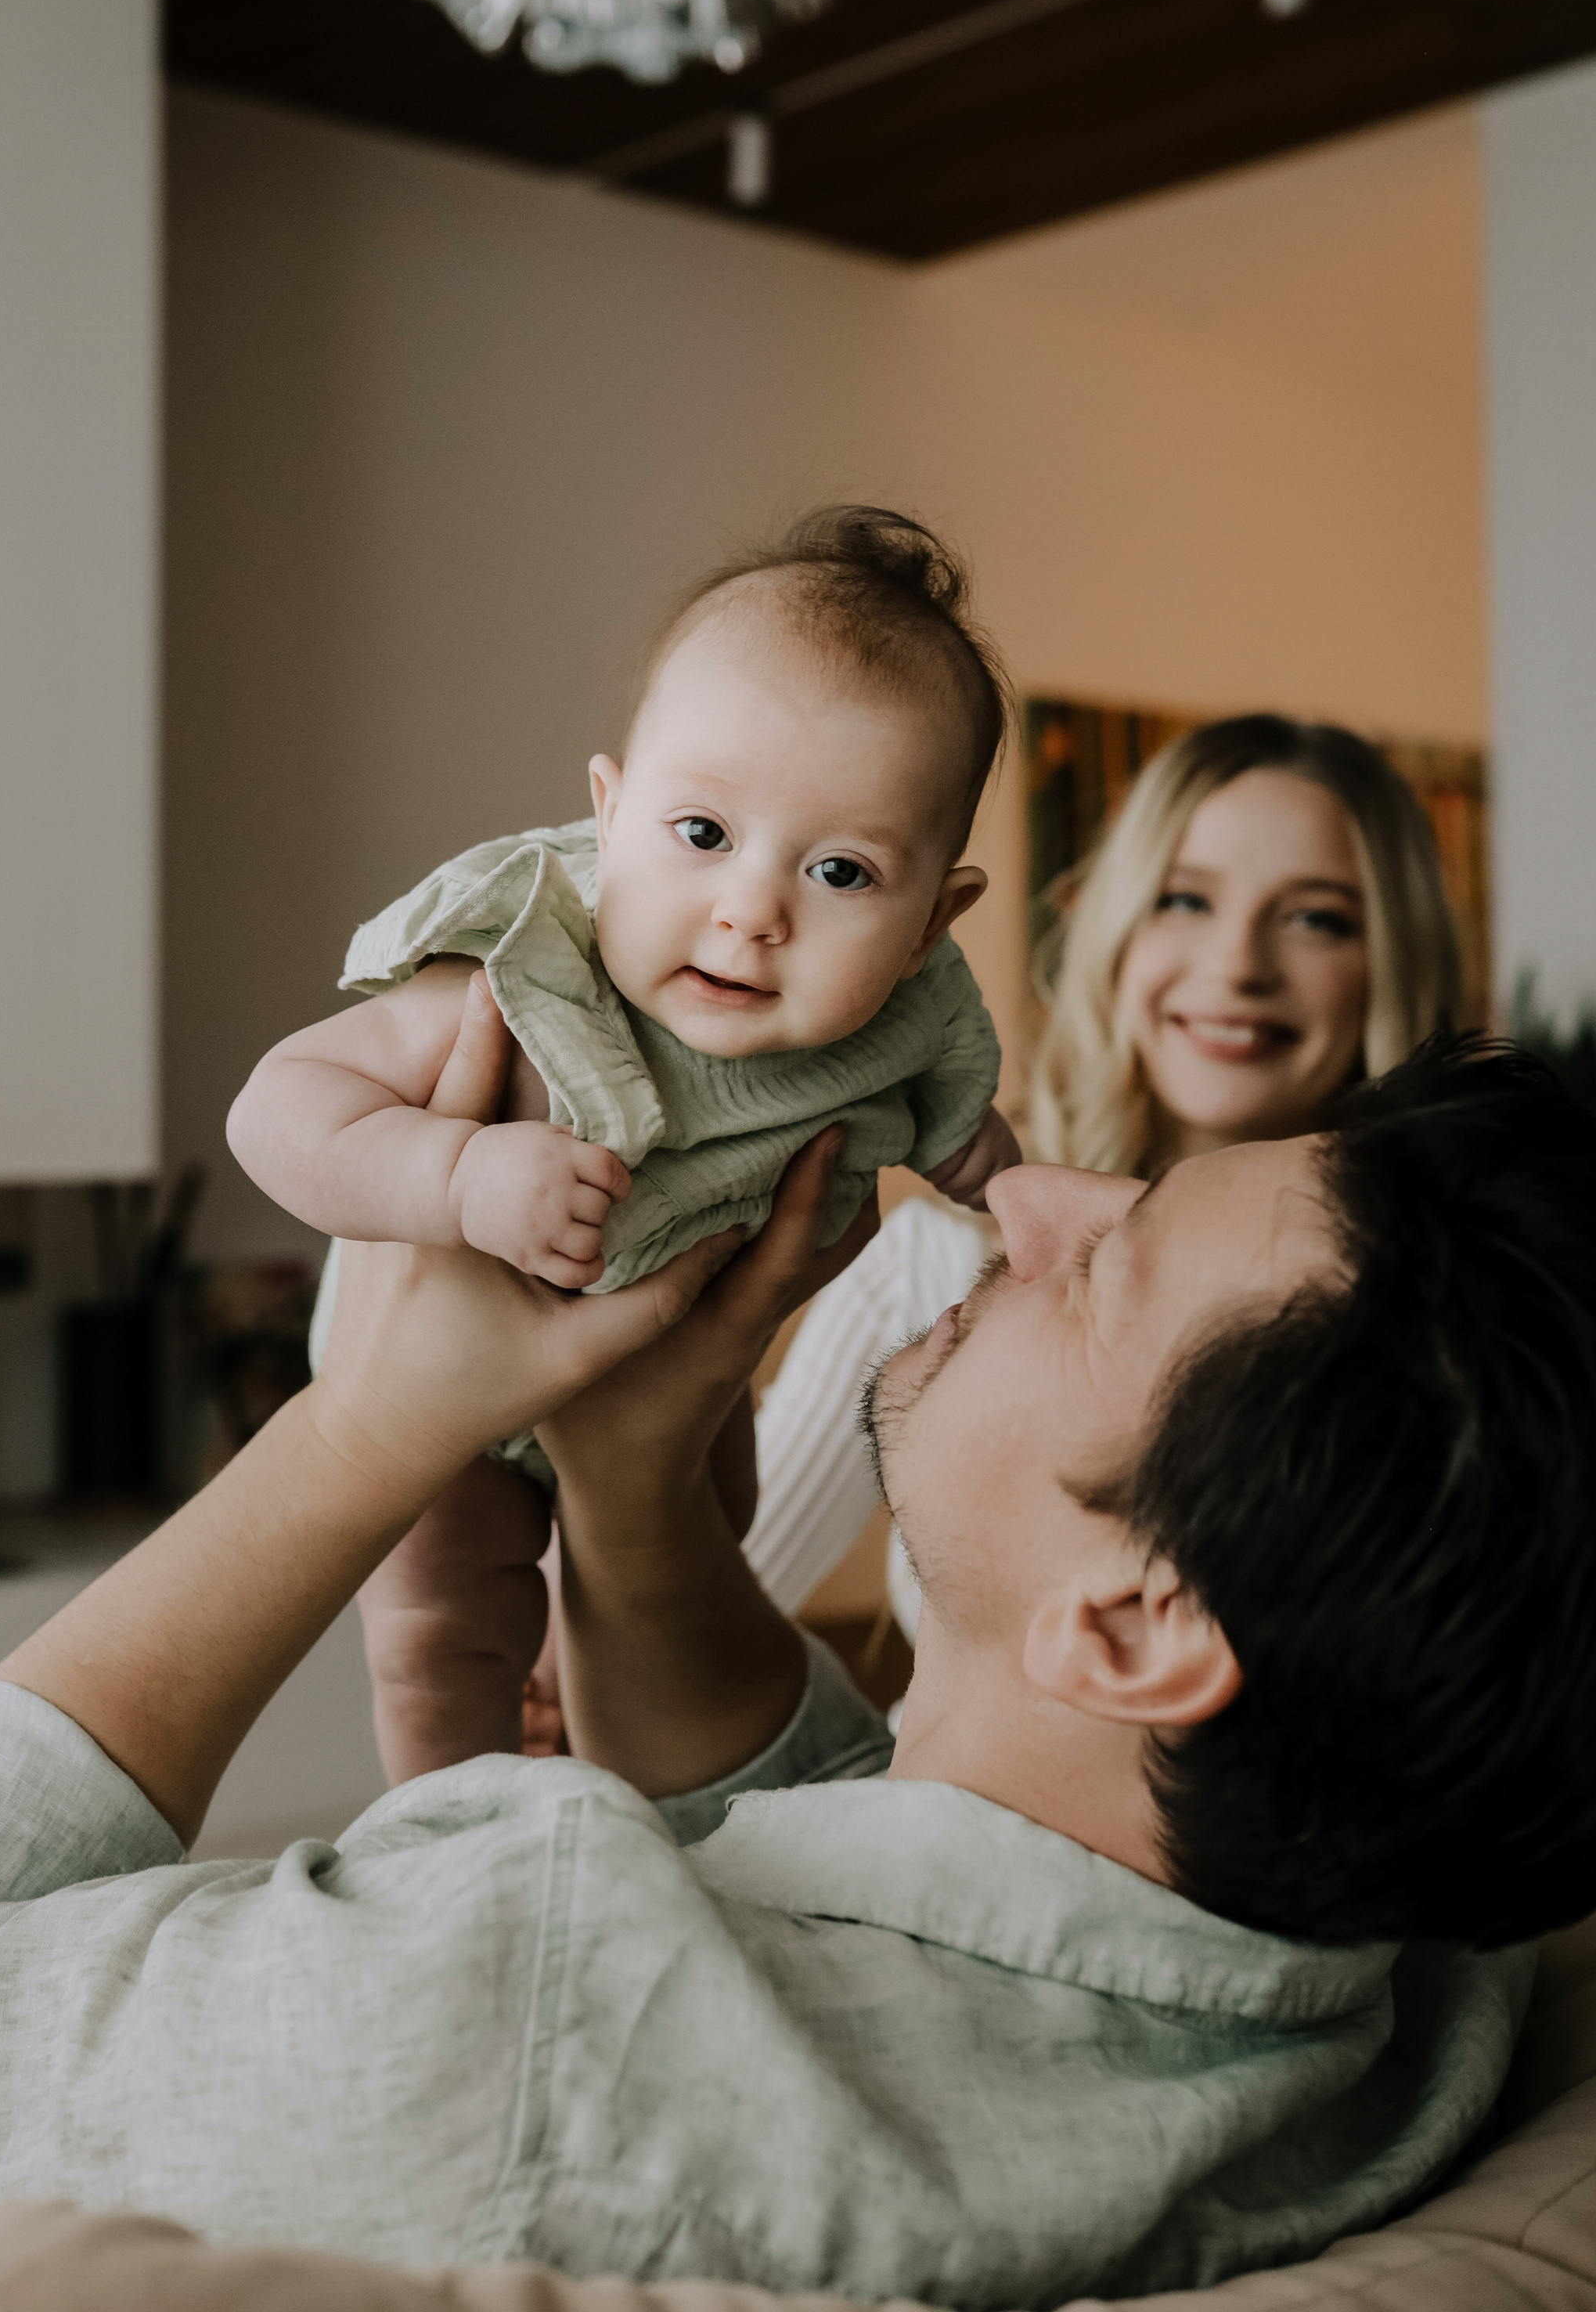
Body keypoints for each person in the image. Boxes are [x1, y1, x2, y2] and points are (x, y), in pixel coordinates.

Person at [0, 1008, 1596, 2312]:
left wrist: (360, 1424)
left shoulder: (532, 2000)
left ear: (1131, 1622)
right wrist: (634, 1492)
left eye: (1101, 1267)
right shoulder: (1399, 1986)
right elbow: (895, 1898)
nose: (1023, 1196)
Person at [232, 506, 1020, 1766]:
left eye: (843, 874)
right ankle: (442, 1846)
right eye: (701, 835)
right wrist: (459, 1172)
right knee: (445, 1624)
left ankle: (601, 1801)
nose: (751, 910)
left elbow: (968, 1138)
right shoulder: (528, 957)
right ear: (609, 818)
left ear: (932, 923)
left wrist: (1012, 1190)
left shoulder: (903, 1025)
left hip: (675, 1398)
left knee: (692, 1561)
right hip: (440, 1394)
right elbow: (275, 1109)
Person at [741, 711, 1465, 1632]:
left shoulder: (1447, 1319)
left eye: (1315, 919)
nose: (1236, 965)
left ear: (1390, 963)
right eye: (1184, 899)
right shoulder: (932, 1269)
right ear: (1118, 928)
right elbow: (690, 1626)